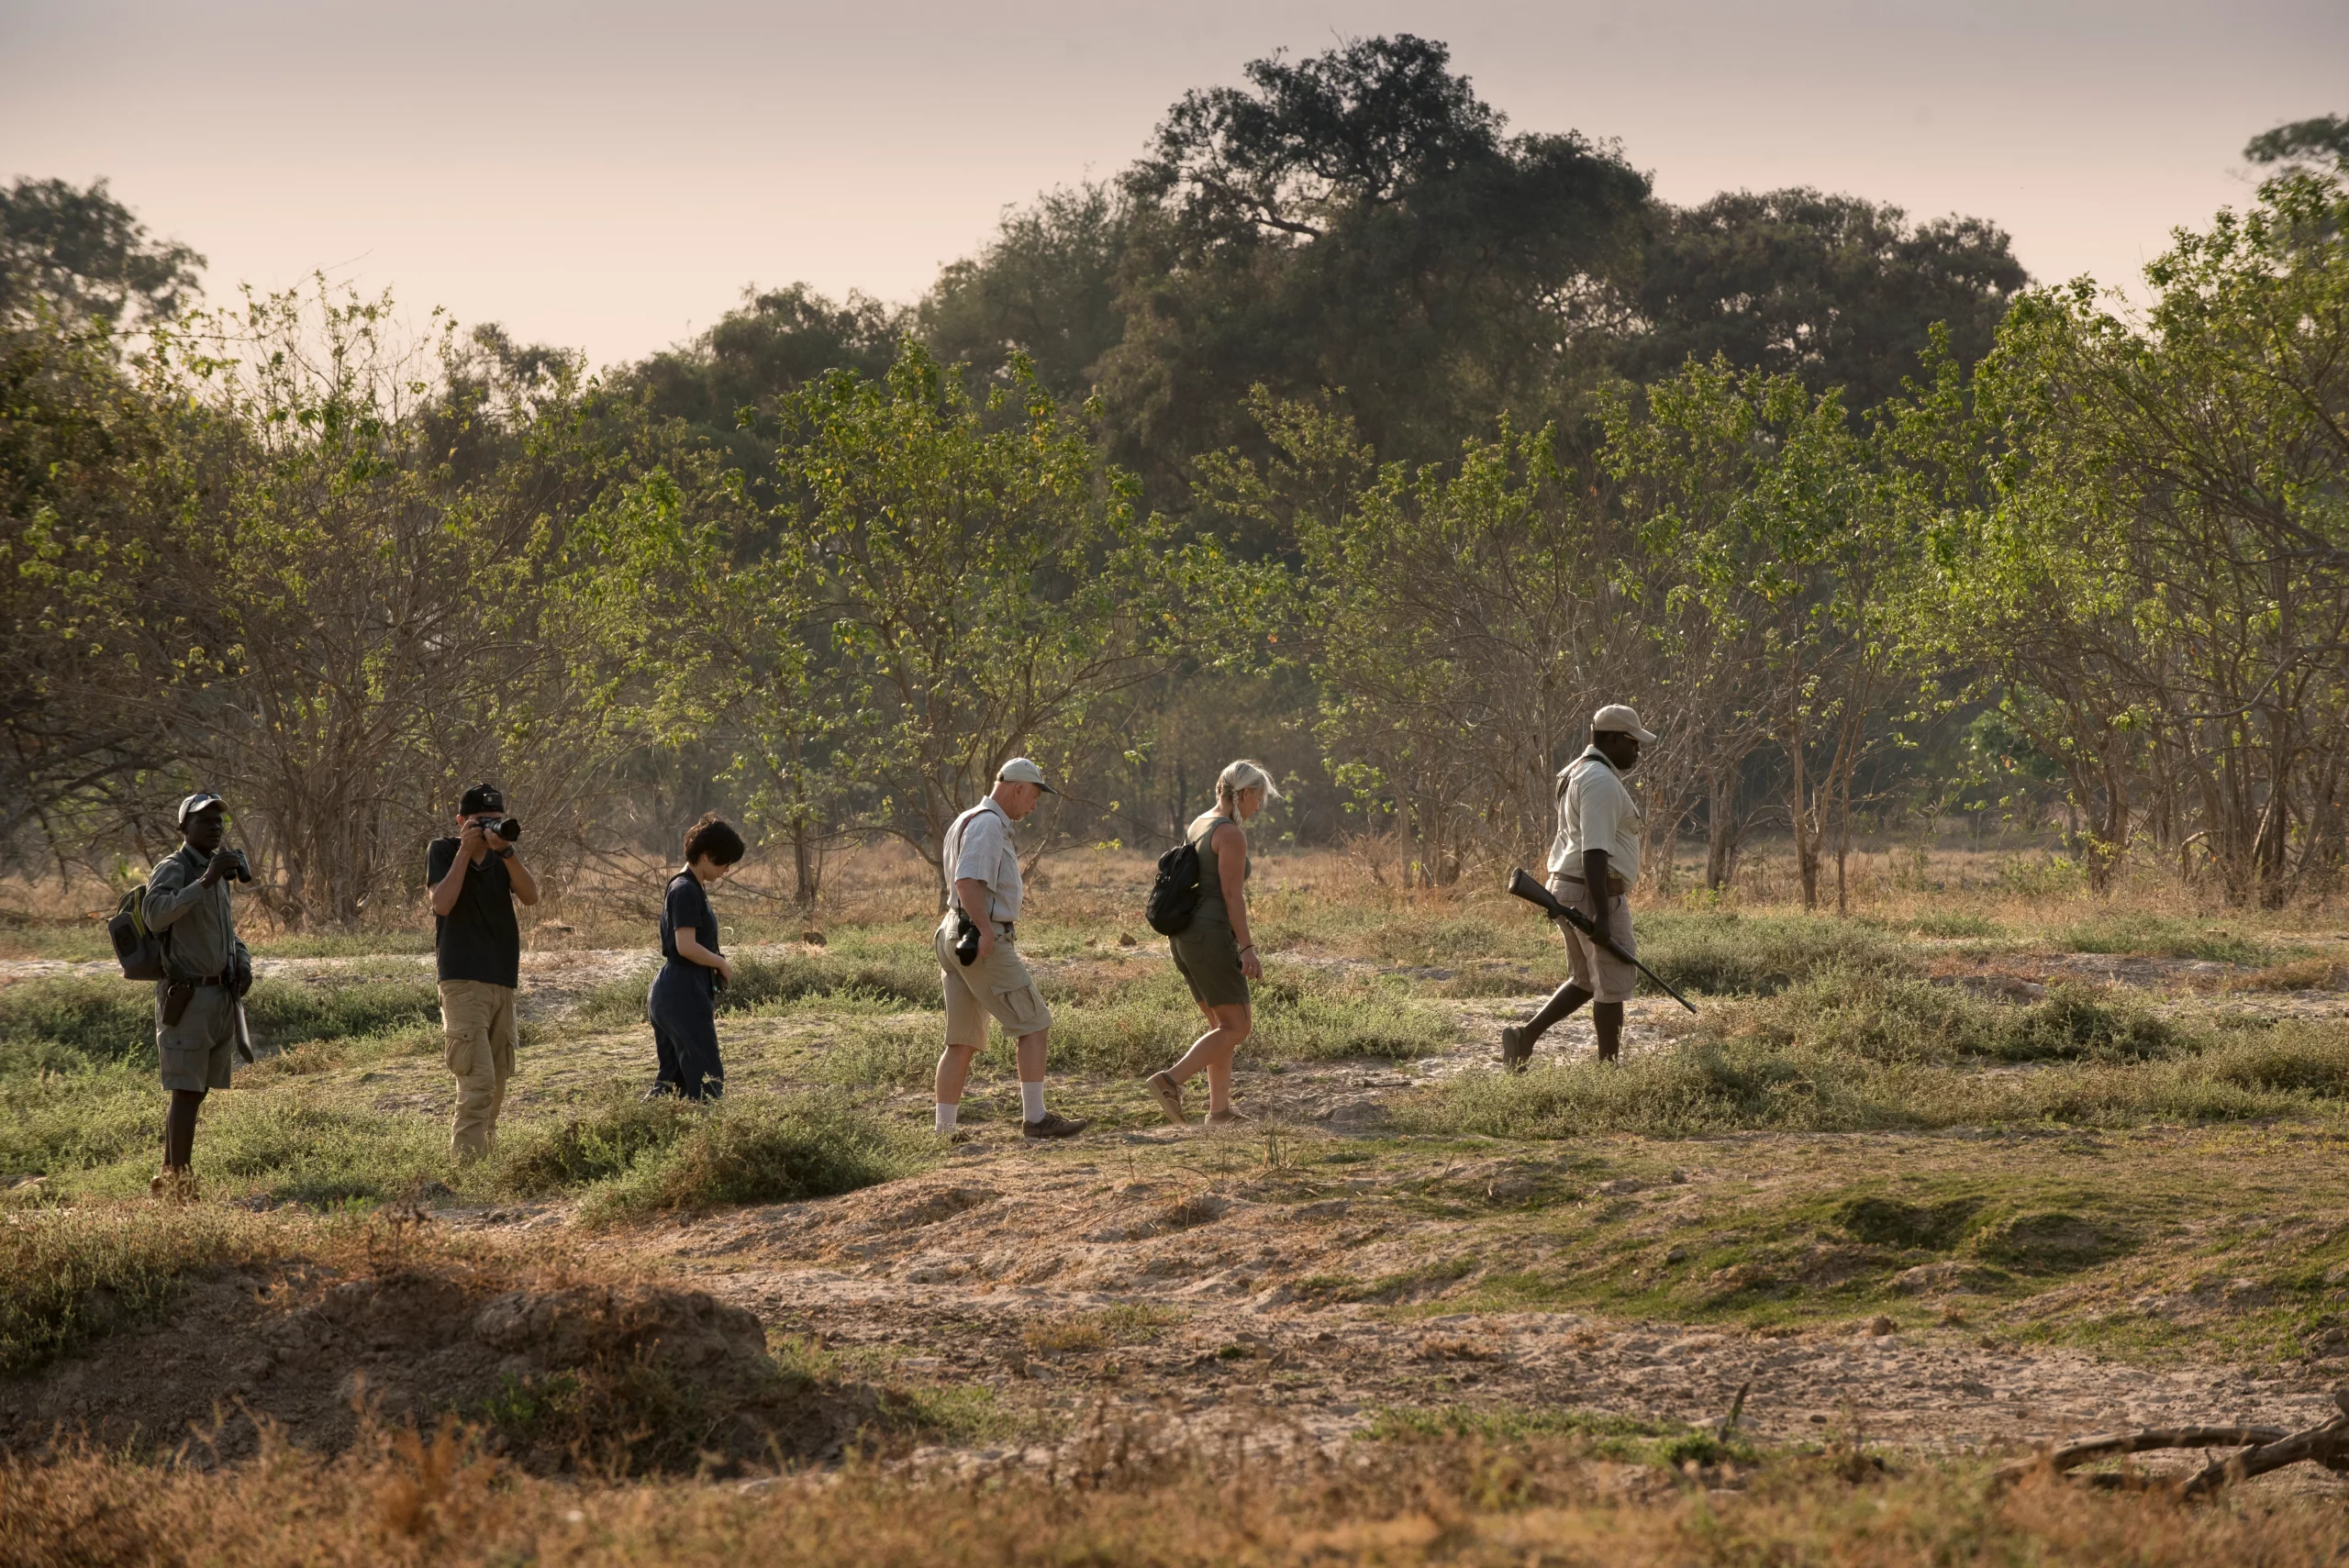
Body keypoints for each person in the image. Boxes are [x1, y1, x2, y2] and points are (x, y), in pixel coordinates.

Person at [932, 758, 1086, 1140]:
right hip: (979, 935)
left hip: (952, 932)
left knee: (961, 1041)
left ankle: (943, 1131)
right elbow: (968, 882)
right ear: (1018, 788)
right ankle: (1035, 1119)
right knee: (1034, 1024)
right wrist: (986, 930)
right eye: (1033, 796)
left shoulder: (968, 817)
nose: (1033, 806)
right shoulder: (987, 824)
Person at [1501, 705, 1657, 1071]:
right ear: (1614, 739)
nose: (1638, 751)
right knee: (1613, 981)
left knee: (1586, 979)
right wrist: (1603, 915)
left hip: (1573, 889)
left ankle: (1525, 1037)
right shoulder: (1601, 781)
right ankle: (1608, 1072)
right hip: (1593, 890)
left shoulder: (1578, 771)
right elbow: (1595, 851)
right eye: (1634, 743)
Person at [1146, 761, 1279, 1126]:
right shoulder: (1231, 834)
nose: (1258, 807)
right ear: (1246, 793)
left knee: (1222, 1027)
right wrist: (1247, 948)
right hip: (1210, 935)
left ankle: (1219, 1111)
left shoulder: (1199, 823)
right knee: (1238, 1026)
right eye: (1259, 798)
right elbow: (1232, 896)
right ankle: (1169, 1081)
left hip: (1186, 936)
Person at [143, 792, 254, 1201]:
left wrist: (242, 960)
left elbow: (225, 929)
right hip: (186, 995)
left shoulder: (215, 869)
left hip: (217, 995)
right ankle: (180, 1185)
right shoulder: (174, 868)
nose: (214, 826)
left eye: (218, 820)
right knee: (186, 1091)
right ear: (183, 827)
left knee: (195, 1090)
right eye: (204, 820)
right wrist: (204, 882)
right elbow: (155, 915)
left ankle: (168, 1177)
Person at [425, 783, 538, 1159]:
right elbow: (441, 904)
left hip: (501, 979)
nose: (489, 827)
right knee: (478, 1081)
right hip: (462, 979)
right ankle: (467, 1170)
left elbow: (532, 895)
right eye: (480, 821)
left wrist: (505, 851)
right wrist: (465, 852)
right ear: (460, 822)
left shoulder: (502, 858)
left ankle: (483, 1163)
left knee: (499, 1080)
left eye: (496, 820)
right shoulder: (443, 850)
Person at [645, 813, 744, 1101]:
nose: (726, 869)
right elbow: (686, 946)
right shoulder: (685, 889)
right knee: (706, 1079)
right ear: (704, 855)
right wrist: (720, 962)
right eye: (723, 862)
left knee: (672, 1083)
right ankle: (709, 1139)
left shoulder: (690, 887)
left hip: (675, 990)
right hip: (681, 990)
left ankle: (645, 1133)